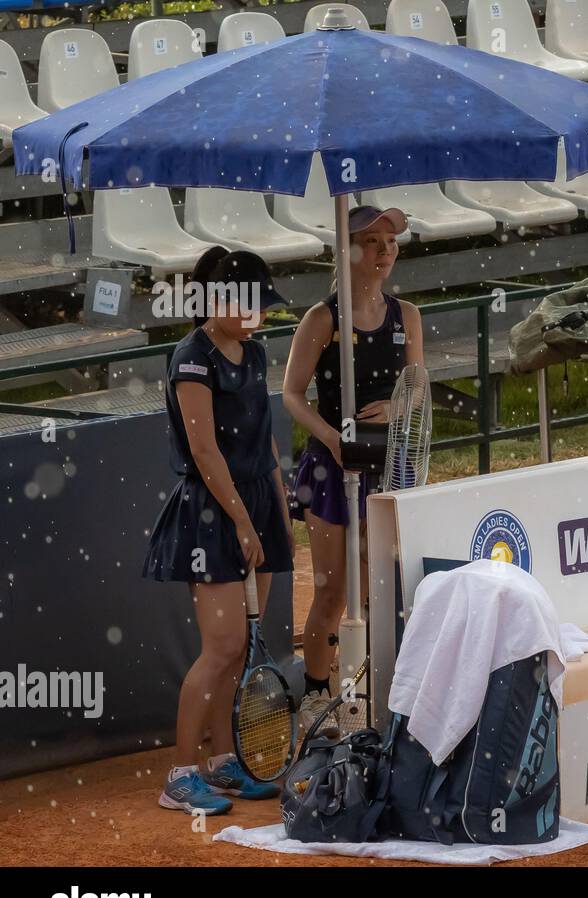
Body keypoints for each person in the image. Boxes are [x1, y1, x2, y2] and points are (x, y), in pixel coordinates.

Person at [143, 247, 295, 814]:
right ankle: (180, 776)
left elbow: (268, 442)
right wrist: (240, 520)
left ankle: (224, 761)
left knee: (239, 655)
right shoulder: (191, 358)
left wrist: (277, 512)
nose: (258, 317)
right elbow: (205, 449)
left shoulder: (254, 355)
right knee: (223, 647)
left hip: (255, 503)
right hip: (212, 510)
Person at [283, 206, 424, 739]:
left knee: (382, 587)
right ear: (348, 251)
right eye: (372, 240)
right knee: (332, 591)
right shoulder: (324, 319)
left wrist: (395, 408)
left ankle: (373, 696)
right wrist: (330, 438)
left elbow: (419, 388)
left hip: (388, 465)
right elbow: (293, 395)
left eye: (391, 241)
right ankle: (317, 699)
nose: (385, 251)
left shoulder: (406, 315)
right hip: (333, 468)